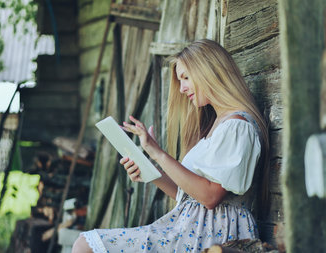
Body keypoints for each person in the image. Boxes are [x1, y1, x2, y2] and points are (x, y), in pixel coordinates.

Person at [72, 39, 270, 253]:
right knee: (85, 244)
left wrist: (158, 154)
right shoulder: (218, 125)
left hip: (214, 232)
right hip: (192, 227)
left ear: (208, 71)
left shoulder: (238, 126)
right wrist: (150, 171)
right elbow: (187, 194)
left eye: (186, 77)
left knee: (86, 245)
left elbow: (210, 197)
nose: (183, 88)